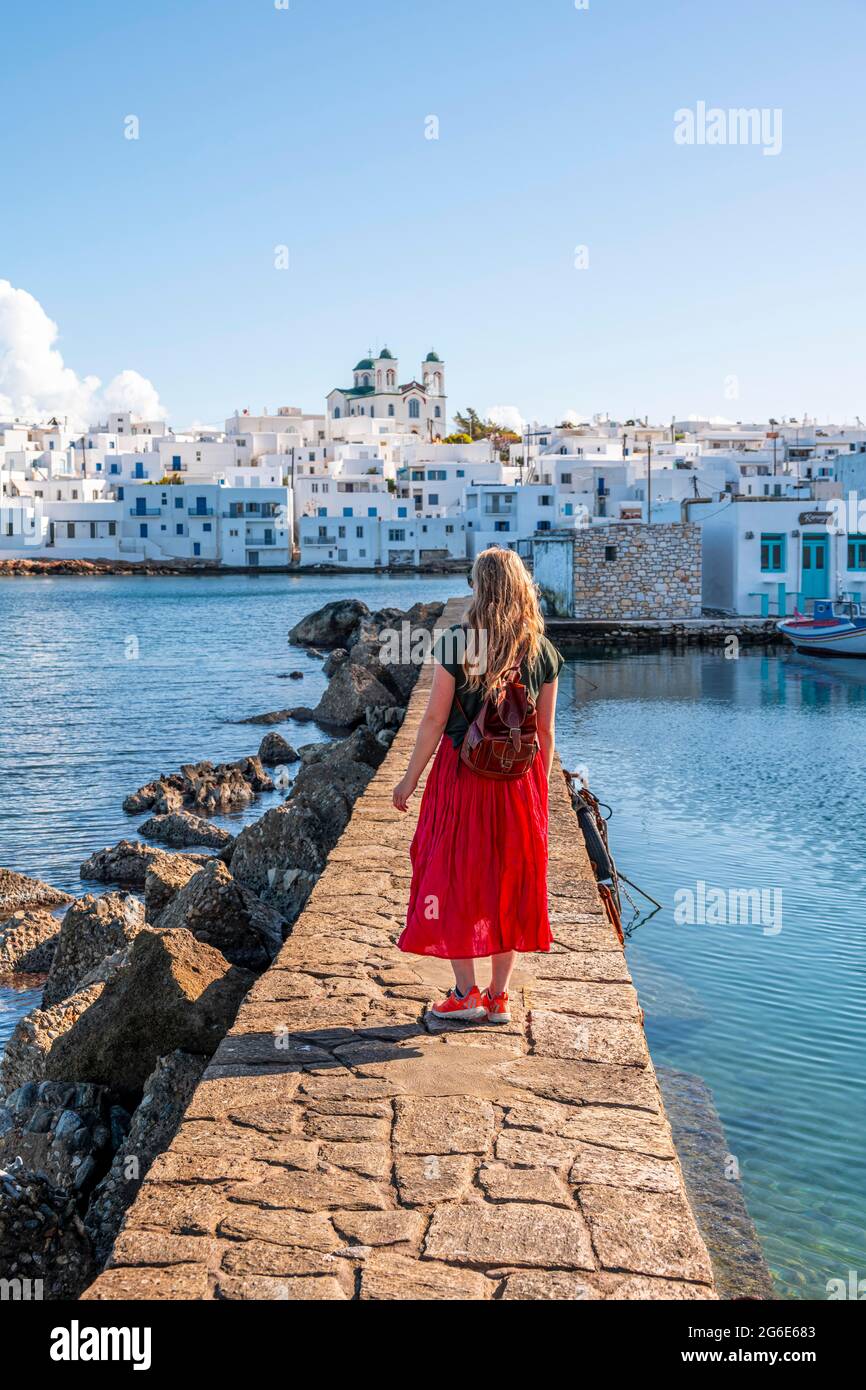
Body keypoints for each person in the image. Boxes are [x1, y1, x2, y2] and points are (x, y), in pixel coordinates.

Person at [393, 546, 563, 1024]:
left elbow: (432, 720)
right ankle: (499, 997)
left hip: (462, 777)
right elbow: (545, 733)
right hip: (517, 784)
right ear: (521, 589)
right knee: (511, 880)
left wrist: (409, 780)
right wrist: (540, 793)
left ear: (479, 589)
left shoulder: (456, 642)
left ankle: (465, 994)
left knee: (452, 875)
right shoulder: (543, 651)